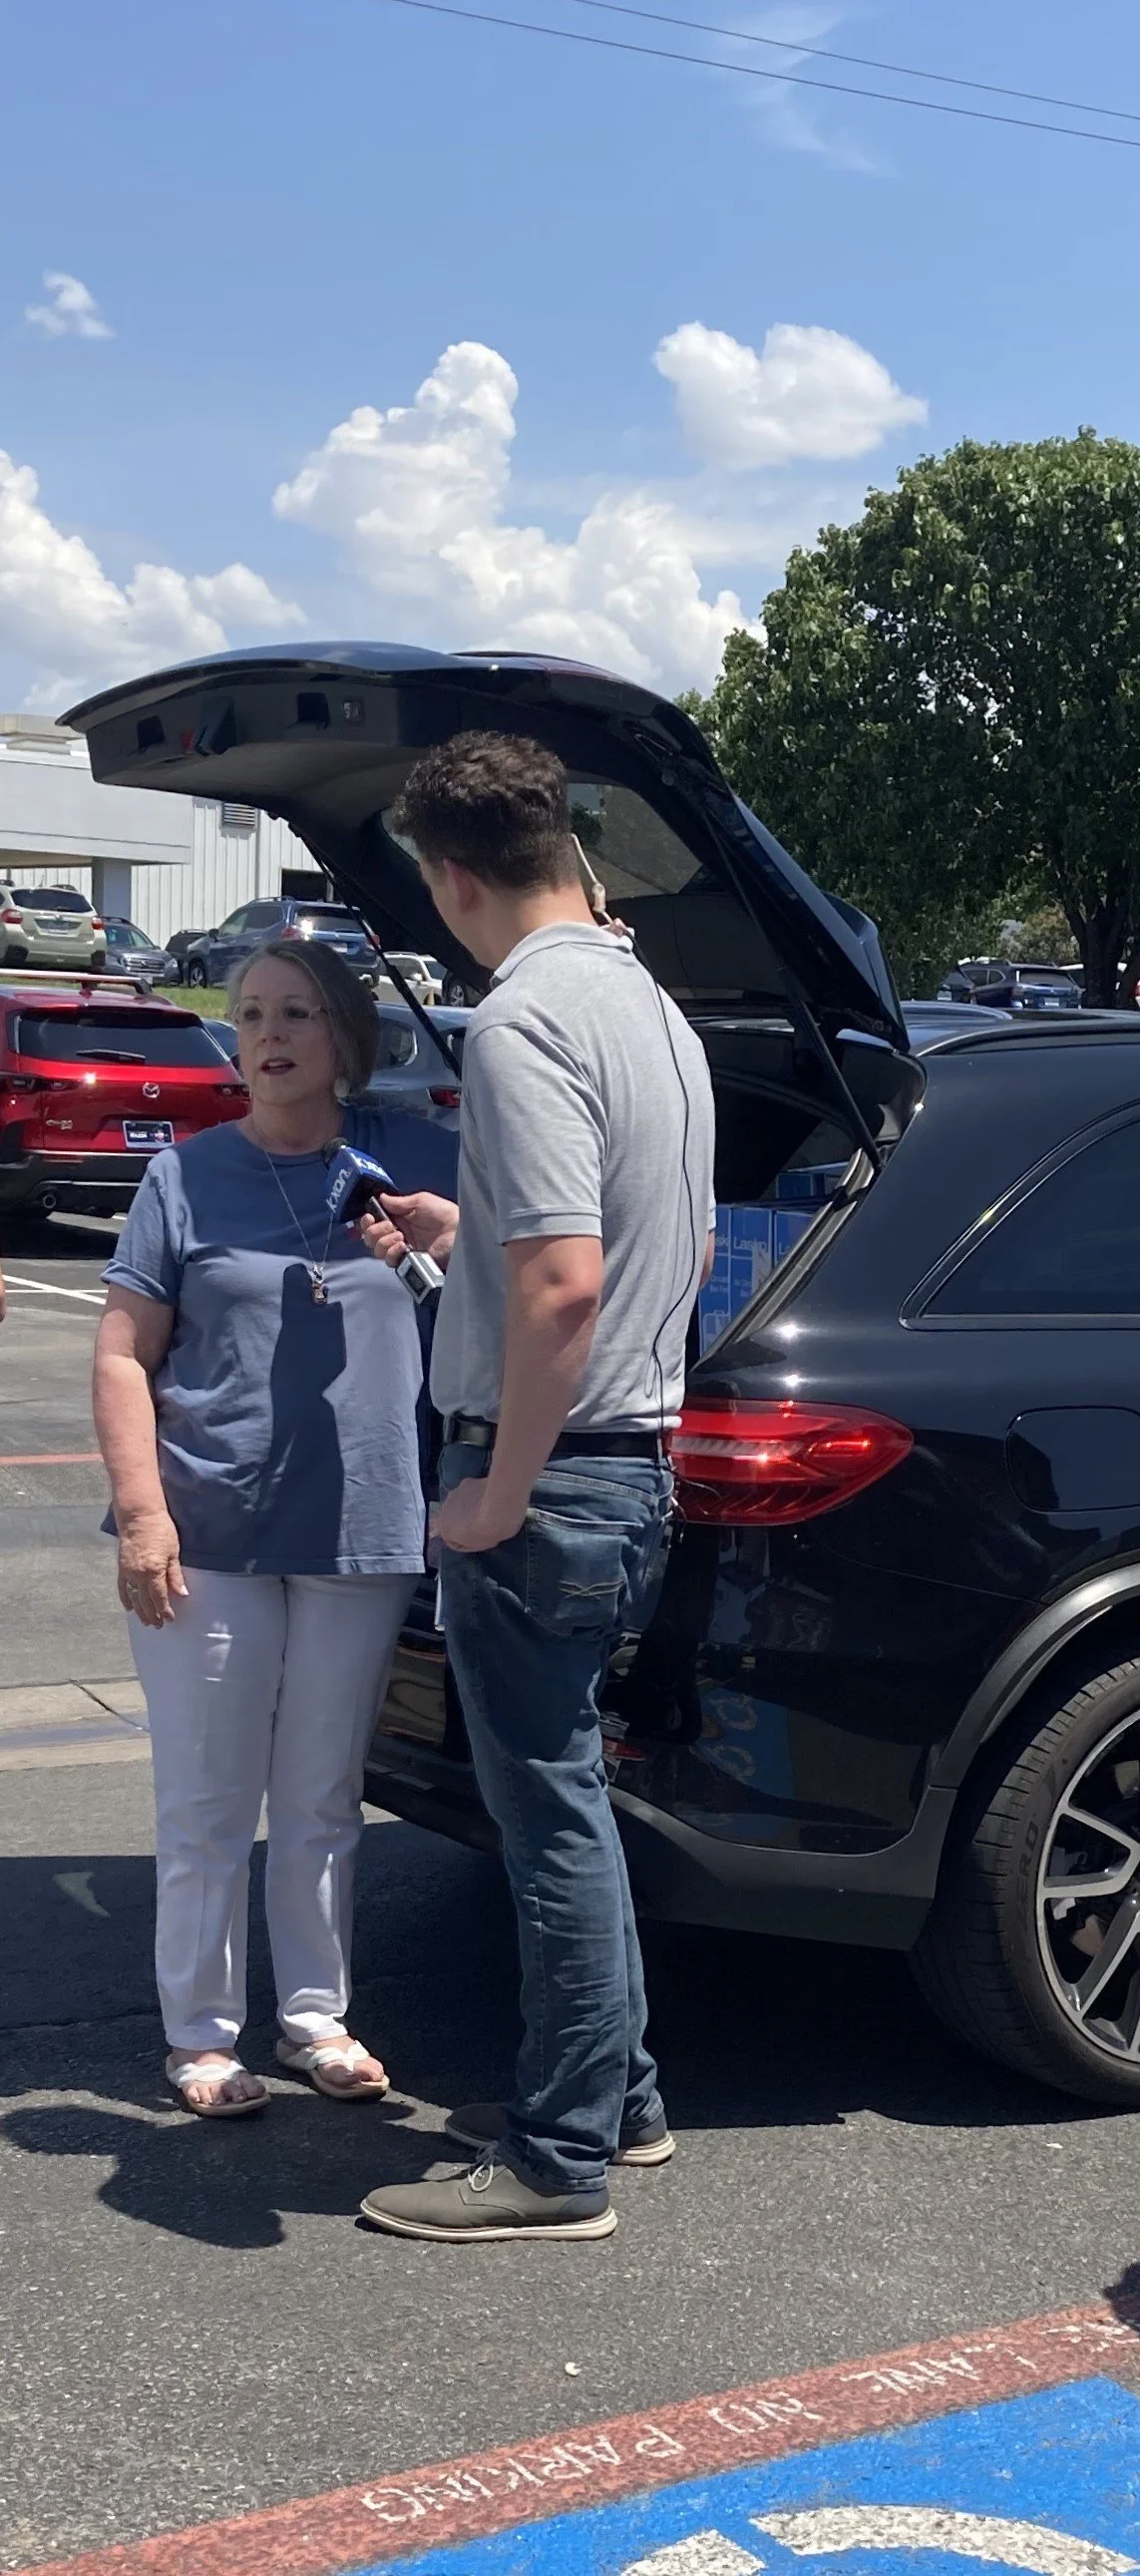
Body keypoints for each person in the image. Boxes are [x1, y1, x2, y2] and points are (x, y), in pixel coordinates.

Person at [355, 732, 713, 2245]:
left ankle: (557, 2156)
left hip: (551, 1476)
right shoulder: (656, 1014)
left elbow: (564, 1285)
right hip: (634, 1461)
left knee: (545, 1816)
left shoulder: (519, 1024)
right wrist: (466, 1227)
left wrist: (495, 1489)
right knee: (570, 1789)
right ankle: (620, 2101)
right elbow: (661, 1255)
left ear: (449, 876)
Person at [91, 939, 459, 2117]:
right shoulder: (188, 1177)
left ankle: (315, 2017)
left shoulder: (414, 1163)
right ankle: (200, 2033)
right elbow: (120, 1353)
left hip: (363, 1523)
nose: (268, 1033)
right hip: (210, 1524)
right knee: (208, 1793)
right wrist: (143, 1513)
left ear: (345, 1037)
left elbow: (528, 1292)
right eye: (250, 1014)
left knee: (320, 1790)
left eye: (296, 1011)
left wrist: (456, 1246)